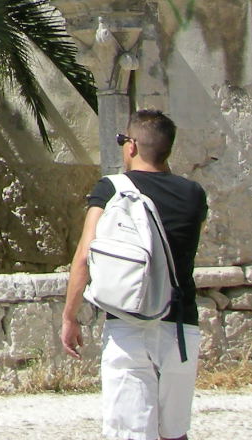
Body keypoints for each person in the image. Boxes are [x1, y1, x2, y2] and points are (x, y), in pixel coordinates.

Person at [62, 109, 208, 440]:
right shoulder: (194, 194)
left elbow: (84, 255)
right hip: (182, 328)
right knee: (175, 433)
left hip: (129, 324)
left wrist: (70, 316)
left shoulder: (111, 188)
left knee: (130, 433)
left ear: (131, 146)